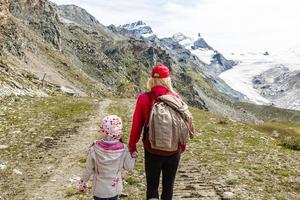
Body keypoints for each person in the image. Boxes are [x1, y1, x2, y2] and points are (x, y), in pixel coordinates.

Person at [129, 64, 186, 200]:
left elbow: (137, 125)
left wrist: (132, 145)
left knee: (152, 187)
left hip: (152, 149)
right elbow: (182, 124)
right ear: (167, 80)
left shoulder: (143, 98)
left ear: (152, 79)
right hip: (173, 150)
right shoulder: (175, 97)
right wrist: (182, 145)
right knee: (168, 187)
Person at [79, 115, 137, 200]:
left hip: (98, 190)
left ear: (103, 131)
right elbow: (129, 167)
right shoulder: (124, 149)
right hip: (114, 189)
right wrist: (133, 156)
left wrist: (83, 182)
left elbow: (88, 169)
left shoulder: (94, 148)